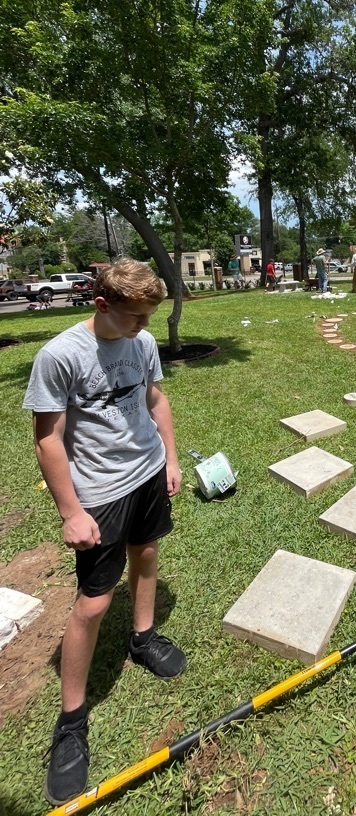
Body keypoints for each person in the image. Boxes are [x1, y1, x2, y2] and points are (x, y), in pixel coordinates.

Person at [22, 259, 186, 806]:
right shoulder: (61, 356)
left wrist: (171, 459)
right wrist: (71, 510)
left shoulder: (141, 343)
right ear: (101, 304)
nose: (143, 327)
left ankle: (141, 639)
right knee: (91, 604)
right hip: (99, 493)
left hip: (145, 474)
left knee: (148, 557)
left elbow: (155, 400)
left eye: (149, 317)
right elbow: (48, 440)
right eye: (135, 317)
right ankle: (70, 721)